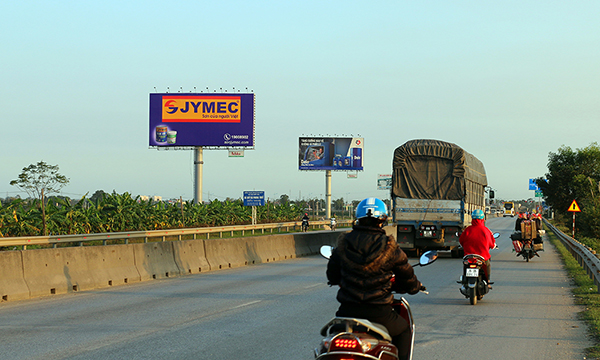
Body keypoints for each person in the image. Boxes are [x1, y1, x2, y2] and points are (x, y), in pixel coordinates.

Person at [326, 197, 424, 360]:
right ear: (382, 220)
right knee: (404, 330)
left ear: (358, 218)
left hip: (348, 311)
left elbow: (332, 275)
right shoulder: (389, 246)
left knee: (332, 337)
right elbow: (406, 275)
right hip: (379, 312)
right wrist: (415, 287)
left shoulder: (344, 243)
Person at [460, 209, 497, 284]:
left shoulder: (467, 230)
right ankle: (488, 281)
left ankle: (464, 279)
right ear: (483, 219)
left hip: (469, 256)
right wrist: (493, 246)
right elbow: (492, 244)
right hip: (482, 257)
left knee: (465, 264)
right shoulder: (486, 230)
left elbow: (461, 241)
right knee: (487, 264)